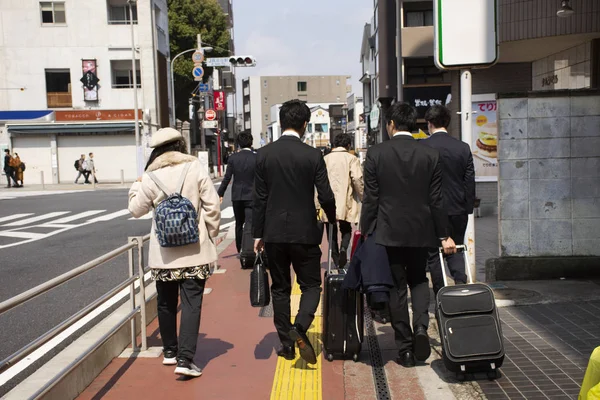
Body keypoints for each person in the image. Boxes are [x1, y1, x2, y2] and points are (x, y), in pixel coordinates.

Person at [360, 102, 456, 368]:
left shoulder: (377, 154)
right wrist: (443, 234)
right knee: (418, 279)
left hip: (389, 230)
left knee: (397, 285)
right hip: (422, 230)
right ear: (415, 124)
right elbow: (436, 199)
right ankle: (422, 328)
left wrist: (365, 228)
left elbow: (371, 198)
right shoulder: (429, 154)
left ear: (391, 125)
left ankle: (404, 347)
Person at [128, 127, 220, 377]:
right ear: (180, 146)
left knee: (166, 303)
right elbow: (212, 206)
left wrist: (135, 188)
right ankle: (186, 360)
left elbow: (135, 210)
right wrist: (211, 233)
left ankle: (170, 352)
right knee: (191, 304)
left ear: (157, 151)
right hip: (195, 250)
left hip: (163, 254)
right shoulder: (194, 168)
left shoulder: (150, 175)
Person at [253, 99, 336, 365]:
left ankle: (287, 346)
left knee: (280, 289)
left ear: (280, 122)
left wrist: (257, 234)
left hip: (274, 233)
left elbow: (260, 199)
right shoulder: (313, 155)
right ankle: (300, 326)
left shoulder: (264, 155)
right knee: (311, 285)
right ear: (304, 125)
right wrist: (332, 220)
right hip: (305, 232)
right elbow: (325, 195)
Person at [422, 105, 476, 296]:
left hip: (430, 211)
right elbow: (469, 182)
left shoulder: (422, 148)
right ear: (447, 123)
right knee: (456, 248)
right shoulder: (462, 148)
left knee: (434, 255)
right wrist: (467, 208)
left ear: (429, 124)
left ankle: (440, 294)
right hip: (457, 208)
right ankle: (460, 284)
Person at [322, 133, 363, 268]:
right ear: (348, 145)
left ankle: (335, 257)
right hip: (346, 199)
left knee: (330, 230)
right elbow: (357, 179)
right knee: (346, 228)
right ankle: (344, 249)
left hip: (327, 200)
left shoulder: (325, 159)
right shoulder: (352, 159)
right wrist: (363, 196)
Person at [217, 131, 257, 253]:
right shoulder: (256, 157)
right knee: (250, 222)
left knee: (239, 223)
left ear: (238, 144)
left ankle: (239, 249)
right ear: (251, 143)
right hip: (252, 195)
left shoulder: (233, 158)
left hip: (237, 196)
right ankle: (250, 249)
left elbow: (227, 177)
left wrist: (220, 193)